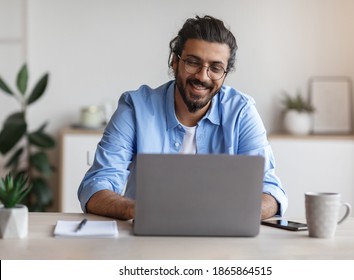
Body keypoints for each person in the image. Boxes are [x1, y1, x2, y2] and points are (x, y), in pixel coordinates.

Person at [78, 15, 288, 221]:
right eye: (193, 62)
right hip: (148, 242)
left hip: (223, 244)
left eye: (215, 68)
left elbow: (270, 191)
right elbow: (96, 186)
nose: (202, 76)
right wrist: (138, 209)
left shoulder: (242, 112)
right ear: (175, 62)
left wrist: (229, 214)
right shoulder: (135, 108)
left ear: (225, 73)